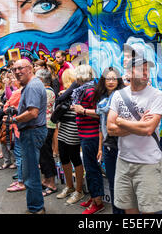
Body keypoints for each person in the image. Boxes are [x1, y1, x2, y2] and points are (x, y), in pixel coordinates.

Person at [107, 52, 162, 214]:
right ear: (130, 73)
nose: (146, 73)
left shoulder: (157, 95)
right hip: (124, 161)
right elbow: (110, 129)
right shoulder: (118, 95)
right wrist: (138, 124)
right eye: (142, 70)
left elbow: (148, 130)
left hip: (148, 163)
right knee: (129, 210)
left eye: (148, 70)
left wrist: (121, 121)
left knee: (149, 212)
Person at [9, 59, 47, 214]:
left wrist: (14, 119)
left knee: (30, 174)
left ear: (30, 69)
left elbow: (32, 113)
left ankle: (36, 209)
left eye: (21, 68)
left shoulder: (32, 86)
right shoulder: (31, 85)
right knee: (29, 172)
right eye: (15, 69)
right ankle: (36, 206)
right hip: (32, 131)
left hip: (32, 131)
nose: (17, 72)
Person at [71, 65, 104, 213]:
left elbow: (100, 113)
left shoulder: (90, 91)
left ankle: (97, 202)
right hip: (85, 134)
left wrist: (82, 111)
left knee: (91, 169)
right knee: (90, 168)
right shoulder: (84, 90)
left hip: (91, 136)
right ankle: (94, 196)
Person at [94, 67, 125, 214]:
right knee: (113, 184)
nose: (111, 82)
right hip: (108, 146)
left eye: (114, 79)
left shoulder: (121, 96)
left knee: (123, 185)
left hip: (122, 145)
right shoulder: (102, 98)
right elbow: (101, 125)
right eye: (108, 78)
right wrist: (100, 147)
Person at [55, 68, 85, 204]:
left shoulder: (79, 92)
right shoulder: (65, 93)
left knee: (75, 158)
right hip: (63, 127)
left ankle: (79, 190)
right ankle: (69, 186)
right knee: (64, 158)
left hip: (73, 128)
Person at [35, 69, 58, 196]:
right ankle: (46, 179)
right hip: (44, 125)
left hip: (46, 125)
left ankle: (52, 184)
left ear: (41, 80)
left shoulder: (46, 91)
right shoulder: (46, 91)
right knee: (43, 155)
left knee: (46, 155)